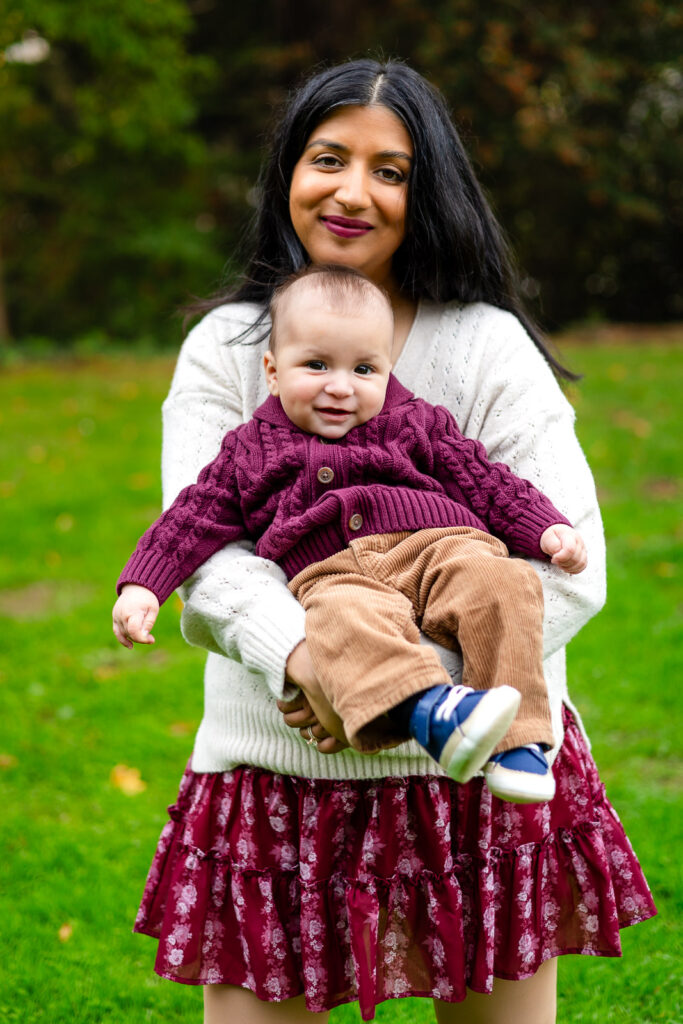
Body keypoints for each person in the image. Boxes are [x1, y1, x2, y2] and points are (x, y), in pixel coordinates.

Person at [126, 59, 656, 1024]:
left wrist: (404, 691)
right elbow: (204, 553)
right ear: (288, 169)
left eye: (390, 169)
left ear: (428, 191)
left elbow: (569, 561)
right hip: (280, 767)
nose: (351, 190)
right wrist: (307, 660)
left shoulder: (486, 346)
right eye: (327, 157)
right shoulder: (227, 349)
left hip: (497, 776)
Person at [113, 263, 589, 805]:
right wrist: (144, 584)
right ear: (271, 370)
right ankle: (431, 714)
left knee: (502, 585)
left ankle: (518, 747)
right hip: (333, 574)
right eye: (316, 365)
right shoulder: (249, 450)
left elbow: (484, 481)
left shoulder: (416, 421)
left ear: (388, 370)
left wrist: (546, 527)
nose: (340, 387)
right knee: (341, 624)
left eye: (364, 369)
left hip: (441, 547)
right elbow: (191, 518)